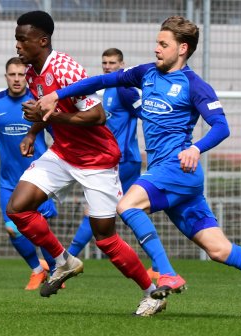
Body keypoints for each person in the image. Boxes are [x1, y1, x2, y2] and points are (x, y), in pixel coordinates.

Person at [38, 16, 241, 315]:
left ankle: (166, 273)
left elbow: (220, 126)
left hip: (177, 169)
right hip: (172, 177)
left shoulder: (194, 85)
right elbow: (101, 81)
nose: (156, 49)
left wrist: (196, 147)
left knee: (127, 206)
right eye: (157, 43)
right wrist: (57, 94)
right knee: (219, 250)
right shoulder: (145, 73)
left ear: (183, 49)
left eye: (164, 44)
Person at [6, 10, 165, 316]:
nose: (17, 46)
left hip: (97, 160)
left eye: (22, 40)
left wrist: (48, 117)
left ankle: (152, 294)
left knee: (105, 239)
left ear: (42, 40)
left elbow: (97, 116)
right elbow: (45, 109)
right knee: (17, 208)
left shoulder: (65, 69)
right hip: (63, 153)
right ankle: (63, 260)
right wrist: (33, 131)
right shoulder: (30, 73)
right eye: (16, 39)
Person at [0, 56, 57, 290]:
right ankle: (37, 270)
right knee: (12, 229)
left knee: (41, 229)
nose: (16, 79)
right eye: (12, 74)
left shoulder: (38, 101)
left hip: (38, 179)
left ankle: (56, 272)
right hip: (8, 180)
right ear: (5, 76)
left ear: (26, 75)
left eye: (20, 74)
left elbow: (58, 132)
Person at [66, 48, 159, 281]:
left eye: (113, 63)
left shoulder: (125, 91)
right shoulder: (105, 90)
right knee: (126, 209)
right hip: (109, 159)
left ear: (122, 64)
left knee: (98, 211)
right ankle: (158, 263)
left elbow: (147, 115)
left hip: (123, 160)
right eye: (104, 62)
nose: (108, 66)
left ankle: (66, 260)